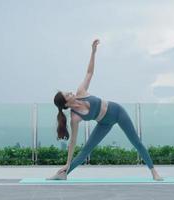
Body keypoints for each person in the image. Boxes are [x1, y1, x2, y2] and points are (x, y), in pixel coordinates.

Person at [49, 39, 163, 181]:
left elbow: (89, 72)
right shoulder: (74, 118)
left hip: (117, 112)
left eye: (69, 92)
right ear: (66, 103)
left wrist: (93, 52)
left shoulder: (81, 92)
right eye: (68, 95)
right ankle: (63, 173)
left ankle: (154, 172)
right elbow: (73, 141)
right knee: (85, 151)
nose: (71, 92)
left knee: (136, 142)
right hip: (104, 124)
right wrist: (67, 162)